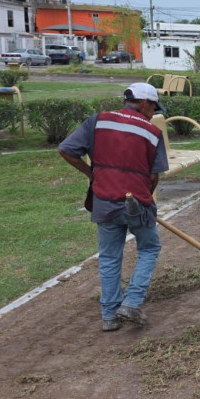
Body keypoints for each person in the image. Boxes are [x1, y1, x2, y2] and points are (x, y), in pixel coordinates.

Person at [58, 83, 169, 332]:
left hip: (104, 200)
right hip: (136, 202)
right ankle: (131, 302)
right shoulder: (151, 132)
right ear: (142, 102)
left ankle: (109, 316)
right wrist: (147, 201)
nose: (153, 112)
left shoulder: (97, 121)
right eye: (152, 106)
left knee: (109, 257)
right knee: (150, 248)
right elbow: (153, 176)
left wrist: (92, 174)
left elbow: (66, 150)